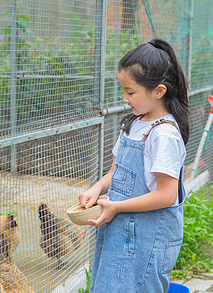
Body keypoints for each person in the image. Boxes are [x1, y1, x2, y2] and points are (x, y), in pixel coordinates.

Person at [79, 38, 189, 292]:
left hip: (148, 239)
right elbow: (114, 172)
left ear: (159, 91)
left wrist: (116, 206)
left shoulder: (163, 135)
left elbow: (167, 194)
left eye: (131, 92)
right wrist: (96, 189)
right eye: (123, 91)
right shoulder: (133, 124)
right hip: (121, 231)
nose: (126, 99)